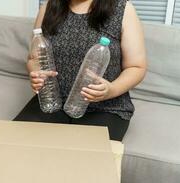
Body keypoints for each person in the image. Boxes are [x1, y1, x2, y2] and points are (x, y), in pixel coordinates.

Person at [14, 0, 147, 141]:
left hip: (106, 108)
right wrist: (37, 74)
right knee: (13, 144)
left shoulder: (123, 9)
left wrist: (111, 89)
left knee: (82, 159)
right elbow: (34, 58)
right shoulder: (49, 7)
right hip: (53, 101)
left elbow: (137, 67)